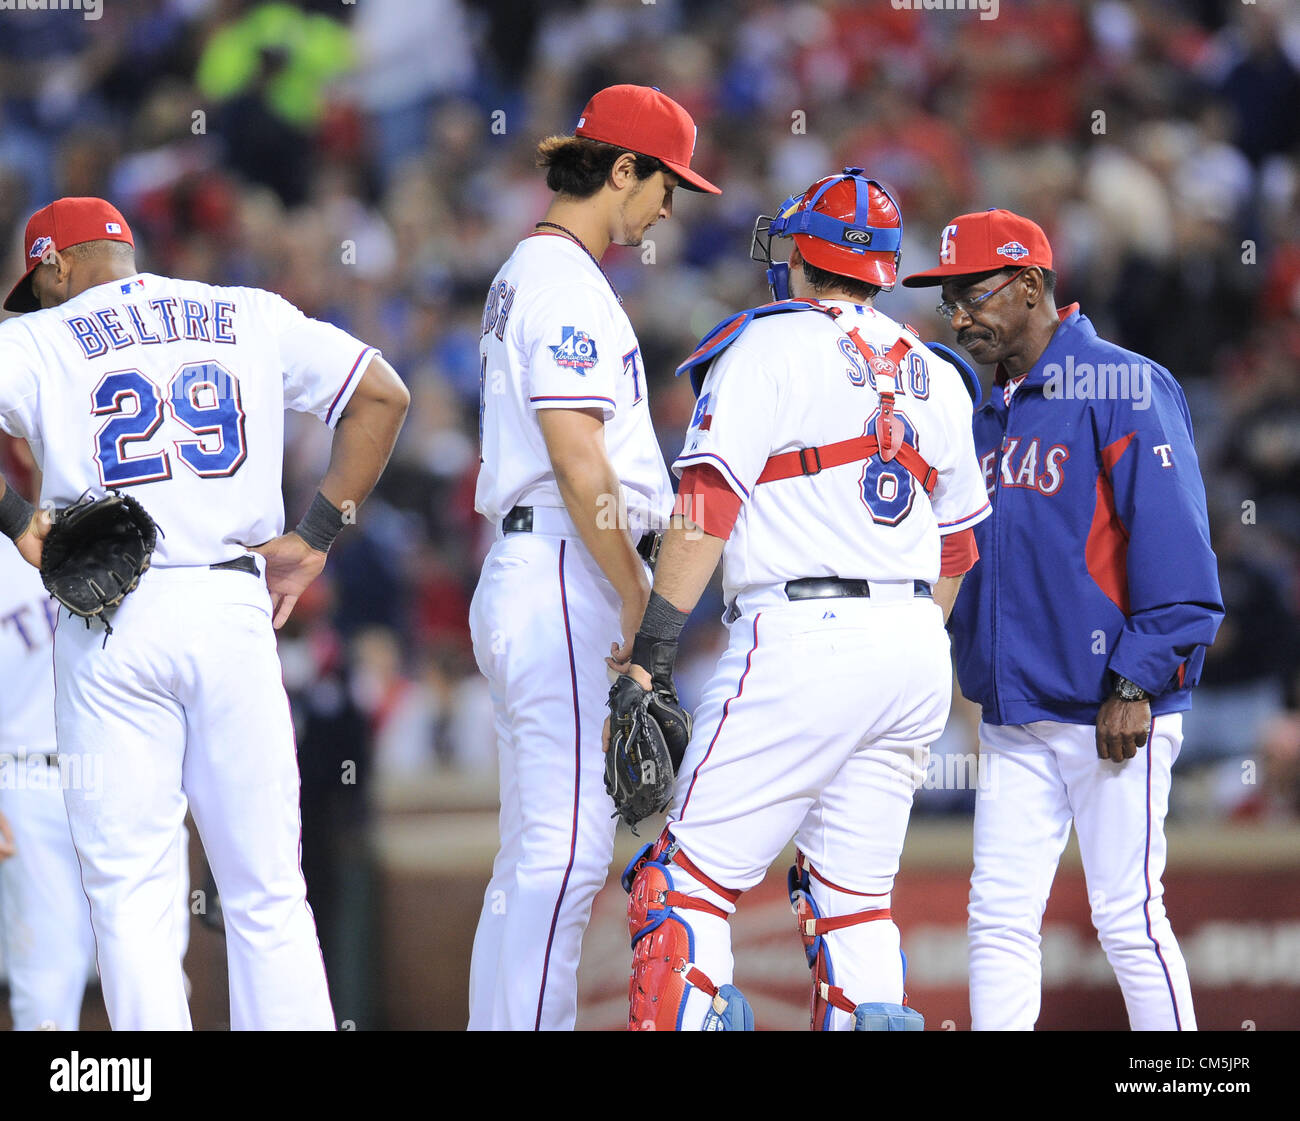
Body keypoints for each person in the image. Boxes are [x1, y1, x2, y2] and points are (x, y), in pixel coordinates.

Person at [0, 196, 409, 1030]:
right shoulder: (242, 312)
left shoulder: (38, 335)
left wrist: (20, 524)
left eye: (37, 285)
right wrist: (317, 531)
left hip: (110, 619)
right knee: (267, 886)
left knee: (132, 892)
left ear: (55, 267)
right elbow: (384, 393)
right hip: (232, 605)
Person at [608, 168, 991, 1031]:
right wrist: (894, 643)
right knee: (853, 901)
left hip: (802, 635)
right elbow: (960, 547)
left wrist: (650, 656)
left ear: (802, 256)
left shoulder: (766, 345)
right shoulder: (939, 373)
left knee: (682, 882)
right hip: (913, 647)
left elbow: (704, 507)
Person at [901, 208, 1224, 1031]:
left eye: (972, 292)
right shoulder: (975, 408)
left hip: (1112, 708)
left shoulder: (1120, 383)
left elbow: (1180, 555)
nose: (959, 313)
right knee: (1000, 919)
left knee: (1126, 914)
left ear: (1033, 284)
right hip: (1015, 717)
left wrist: (1137, 679)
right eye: (950, 299)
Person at [468, 84, 719, 1031]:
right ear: (622, 168)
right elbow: (579, 460)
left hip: (535, 567)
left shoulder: (528, 272)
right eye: (665, 184)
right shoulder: (566, 281)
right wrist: (633, 588)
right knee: (565, 854)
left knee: (530, 855)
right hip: (567, 569)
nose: (667, 207)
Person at [0, 534, 191, 1031]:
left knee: (155, 957)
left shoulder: (146, 530)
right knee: (47, 972)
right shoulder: (6, 556)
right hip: (26, 777)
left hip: (128, 774)